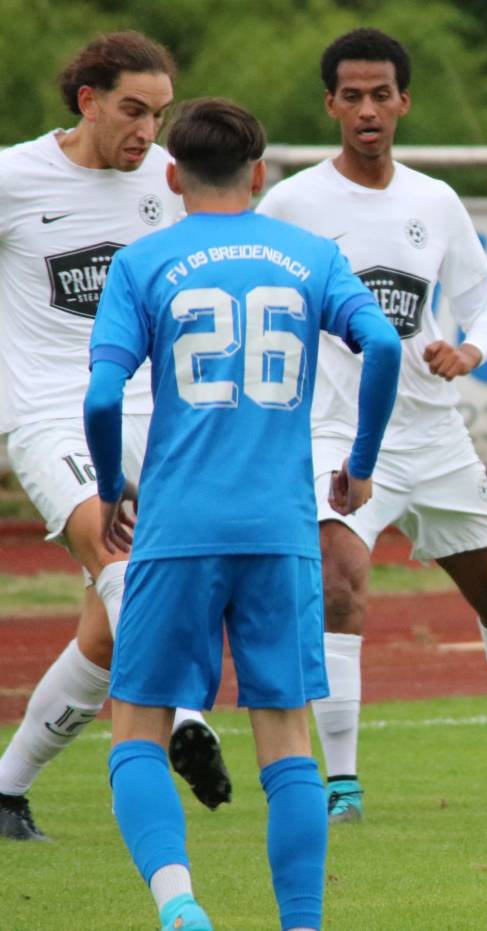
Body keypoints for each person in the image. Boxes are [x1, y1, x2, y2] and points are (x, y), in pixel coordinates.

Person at [256, 27, 487, 823]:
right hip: (335, 432)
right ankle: (343, 785)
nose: (368, 109)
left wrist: (470, 348)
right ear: (329, 104)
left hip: (433, 438)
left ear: (404, 101)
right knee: (339, 583)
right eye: (352, 95)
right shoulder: (291, 204)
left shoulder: (435, 201)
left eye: (381, 94)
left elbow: (486, 306)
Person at [84, 97, 401, 931]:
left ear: (173, 173)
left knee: (137, 729)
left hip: (176, 527)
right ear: (259, 176)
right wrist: (359, 467)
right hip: (280, 529)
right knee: (286, 740)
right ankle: (301, 924)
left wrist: (116, 477)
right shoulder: (310, 256)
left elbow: (101, 391)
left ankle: (180, 903)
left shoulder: (142, 263)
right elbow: (389, 347)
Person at [0, 31, 230, 843]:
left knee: (104, 637)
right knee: (119, 559)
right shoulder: (15, 178)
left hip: (154, 422)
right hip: (52, 417)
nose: (146, 131)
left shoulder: (166, 189)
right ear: (86, 99)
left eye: (159, 116)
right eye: (132, 110)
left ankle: (4, 789)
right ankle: (188, 719)